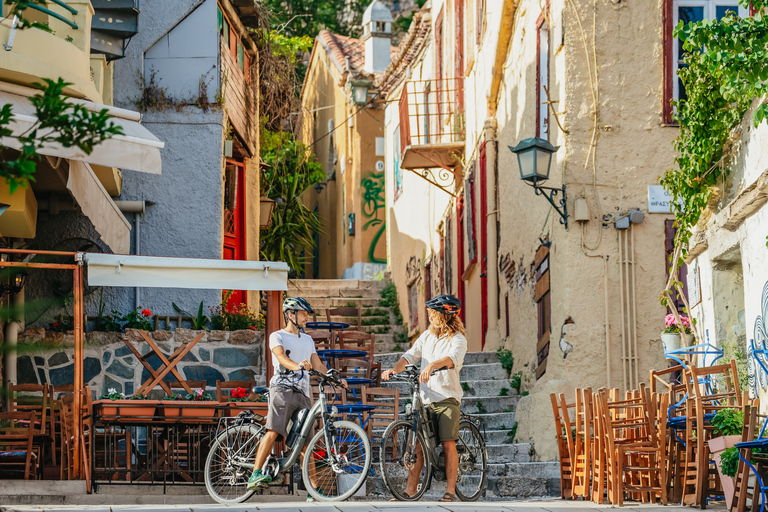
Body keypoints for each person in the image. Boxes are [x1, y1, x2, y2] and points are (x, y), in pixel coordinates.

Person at [247, 297, 345, 493]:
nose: (307, 317)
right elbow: (281, 357)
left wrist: (336, 379)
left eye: (307, 314)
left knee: (305, 443)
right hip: (282, 390)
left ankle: (313, 490)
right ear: (291, 315)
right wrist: (297, 365)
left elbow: (317, 366)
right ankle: (255, 473)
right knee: (273, 430)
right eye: (303, 314)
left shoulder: (308, 340)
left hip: (302, 394)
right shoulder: (277, 336)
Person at [381, 294, 468, 503]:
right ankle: (410, 491)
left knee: (448, 444)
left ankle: (450, 491)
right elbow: (410, 355)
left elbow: (453, 359)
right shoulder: (426, 337)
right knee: (417, 445)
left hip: (447, 398)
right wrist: (394, 369)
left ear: (444, 315)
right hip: (425, 398)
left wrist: (432, 365)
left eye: (433, 312)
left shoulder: (458, 339)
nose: (429, 315)